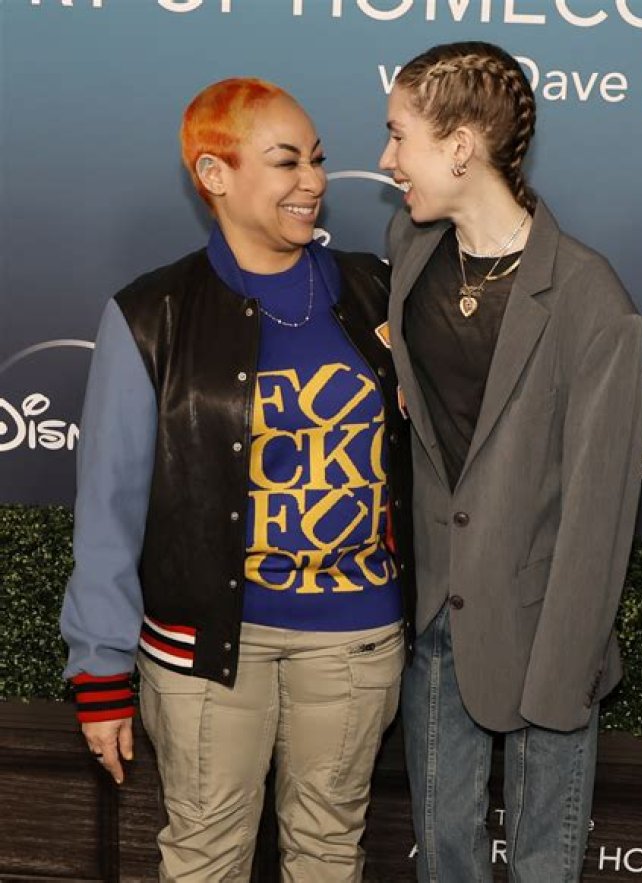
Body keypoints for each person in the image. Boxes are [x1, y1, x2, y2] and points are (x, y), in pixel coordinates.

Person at [60, 77, 414, 883]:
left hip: (355, 639)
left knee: (329, 853)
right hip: (208, 649)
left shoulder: (380, 288)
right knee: (205, 858)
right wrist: (101, 671)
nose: (314, 180)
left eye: (317, 159)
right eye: (287, 161)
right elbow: (109, 507)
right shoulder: (151, 315)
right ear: (214, 174)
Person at [379, 42, 642, 882]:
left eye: (399, 136)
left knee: (541, 868)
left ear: (460, 146)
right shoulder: (411, 247)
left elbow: (600, 510)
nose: (386, 161)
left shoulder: (589, 297)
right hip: (435, 617)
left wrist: (566, 669)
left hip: (544, 628)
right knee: (442, 861)